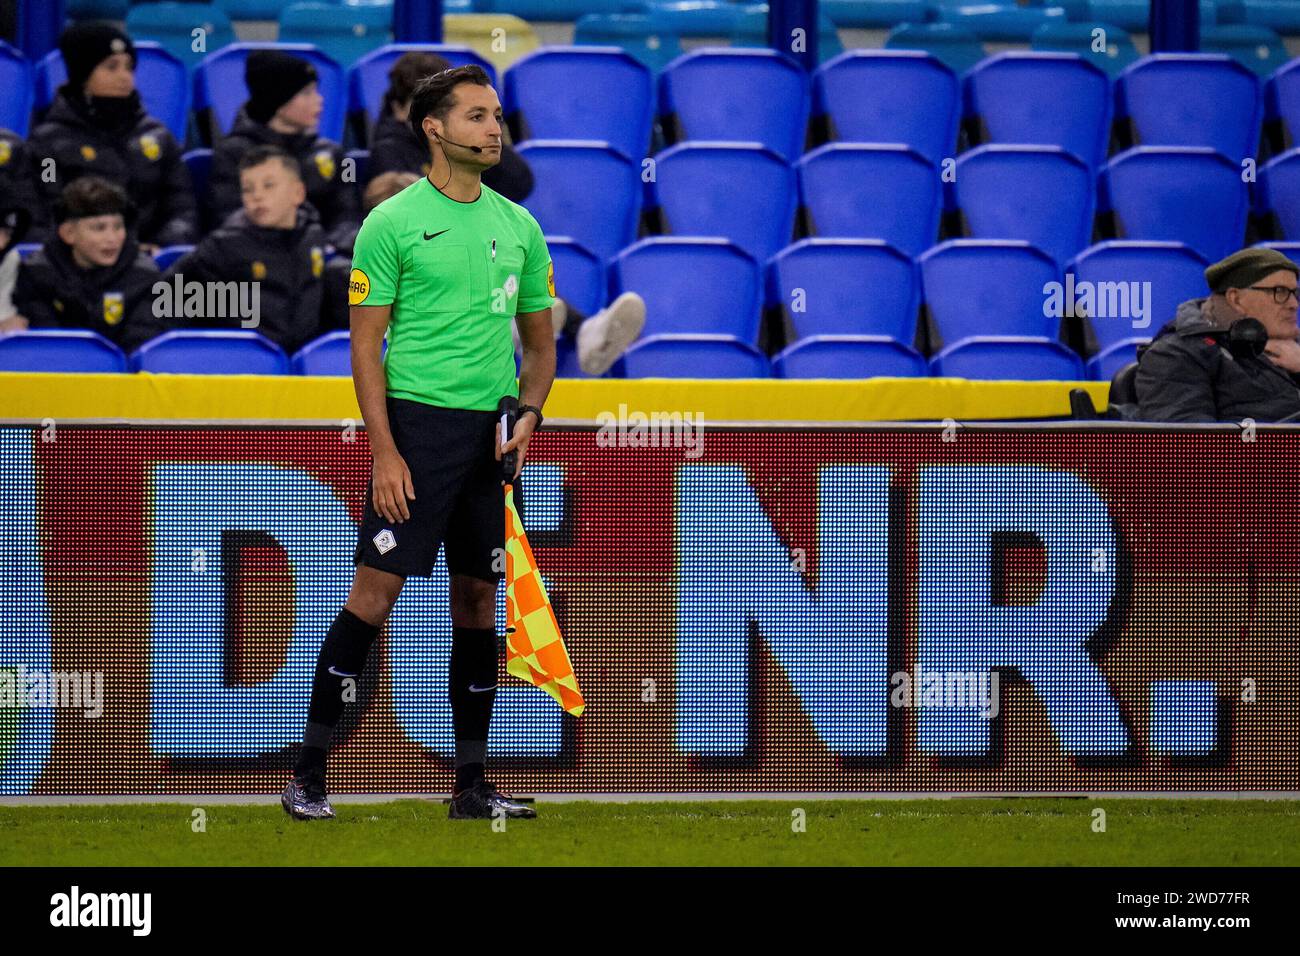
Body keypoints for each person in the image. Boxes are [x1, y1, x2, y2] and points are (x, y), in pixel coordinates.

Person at [282, 65, 554, 822]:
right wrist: (385, 450)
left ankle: (470, 786)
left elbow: (540, 348)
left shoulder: (520, 226)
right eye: (475, 116)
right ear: (433, 128)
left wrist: (528, 414)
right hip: (415, 430)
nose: (493, 129)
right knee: (375, 594)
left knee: (477, 599)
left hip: (490, 438)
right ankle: (307, 773)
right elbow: (364, 347)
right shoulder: (390, 223)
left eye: (497, 116)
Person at [28, 21, 197, 250]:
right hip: (78, 266)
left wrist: (165, 247)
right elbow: (46, 211)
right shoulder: (48, 145)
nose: (125, 77)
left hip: (153, 264)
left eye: (129, 67)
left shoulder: (158, 137)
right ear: (82, 76)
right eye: (111, 67)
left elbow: (181, 209)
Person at [166, 145, 328, 355]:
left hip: (302, 369)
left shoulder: (313, 237)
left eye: (268, 185)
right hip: (244, 366)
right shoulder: (223, 247)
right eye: (247, 189)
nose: (257, 196)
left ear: (298, 193)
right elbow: (167, 298)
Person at [208, 50, 360, 253]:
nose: (319, 100)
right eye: (307, 93)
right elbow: (229, 216)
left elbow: (349, 214)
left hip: (325, 257)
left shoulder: (333, 154)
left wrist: (330, 246)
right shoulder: (233, 153)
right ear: (278, 102)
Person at [1137, 247, 1300, 422]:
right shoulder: (1176, 355)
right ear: (1235, 299)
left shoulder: (1294, 351)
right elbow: (1187, 444)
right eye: (1280, 292)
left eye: (1295, 294)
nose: (1294, 304)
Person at [10, 175, 163, 352]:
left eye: (118, 227)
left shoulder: (144, 275)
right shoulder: (37, 273)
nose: (112, 238)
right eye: (99, 228)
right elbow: (46, 347)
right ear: (68, 233)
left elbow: (141, 345)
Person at [368, 51, 533, 202]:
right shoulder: (388, 149)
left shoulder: (472, 142)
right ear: (397, 109)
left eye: (443, 106)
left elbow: (520, 186)